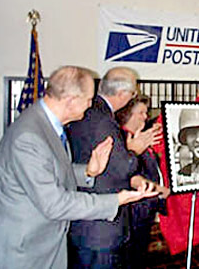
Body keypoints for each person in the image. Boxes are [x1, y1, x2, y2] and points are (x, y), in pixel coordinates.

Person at [0, 66, 158, 269]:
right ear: (71, 100)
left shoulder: (46, 125)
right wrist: (116, 200)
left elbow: (52, 171)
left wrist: (88, 172)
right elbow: (55, 204)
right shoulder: (29, 137)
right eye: (89, 99)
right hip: (28, 249)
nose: (90, 105)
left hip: (49, 242)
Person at [67, 67, 161, 268]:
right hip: (100, 228)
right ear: (122, 94)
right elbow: (122, 167)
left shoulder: (91, 113)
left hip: (84, 219)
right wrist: (134, 150)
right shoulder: (104, 121)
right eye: (133, 93)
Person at [115, 96, 170, 268]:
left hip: (145, 209)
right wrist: (159, 189)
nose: (145, 116)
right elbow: (130, 177)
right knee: (132, 256)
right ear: (128, 115)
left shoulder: (140, 137)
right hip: (135, 211)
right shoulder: (121, 139)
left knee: (139, 255)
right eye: (141, 113)